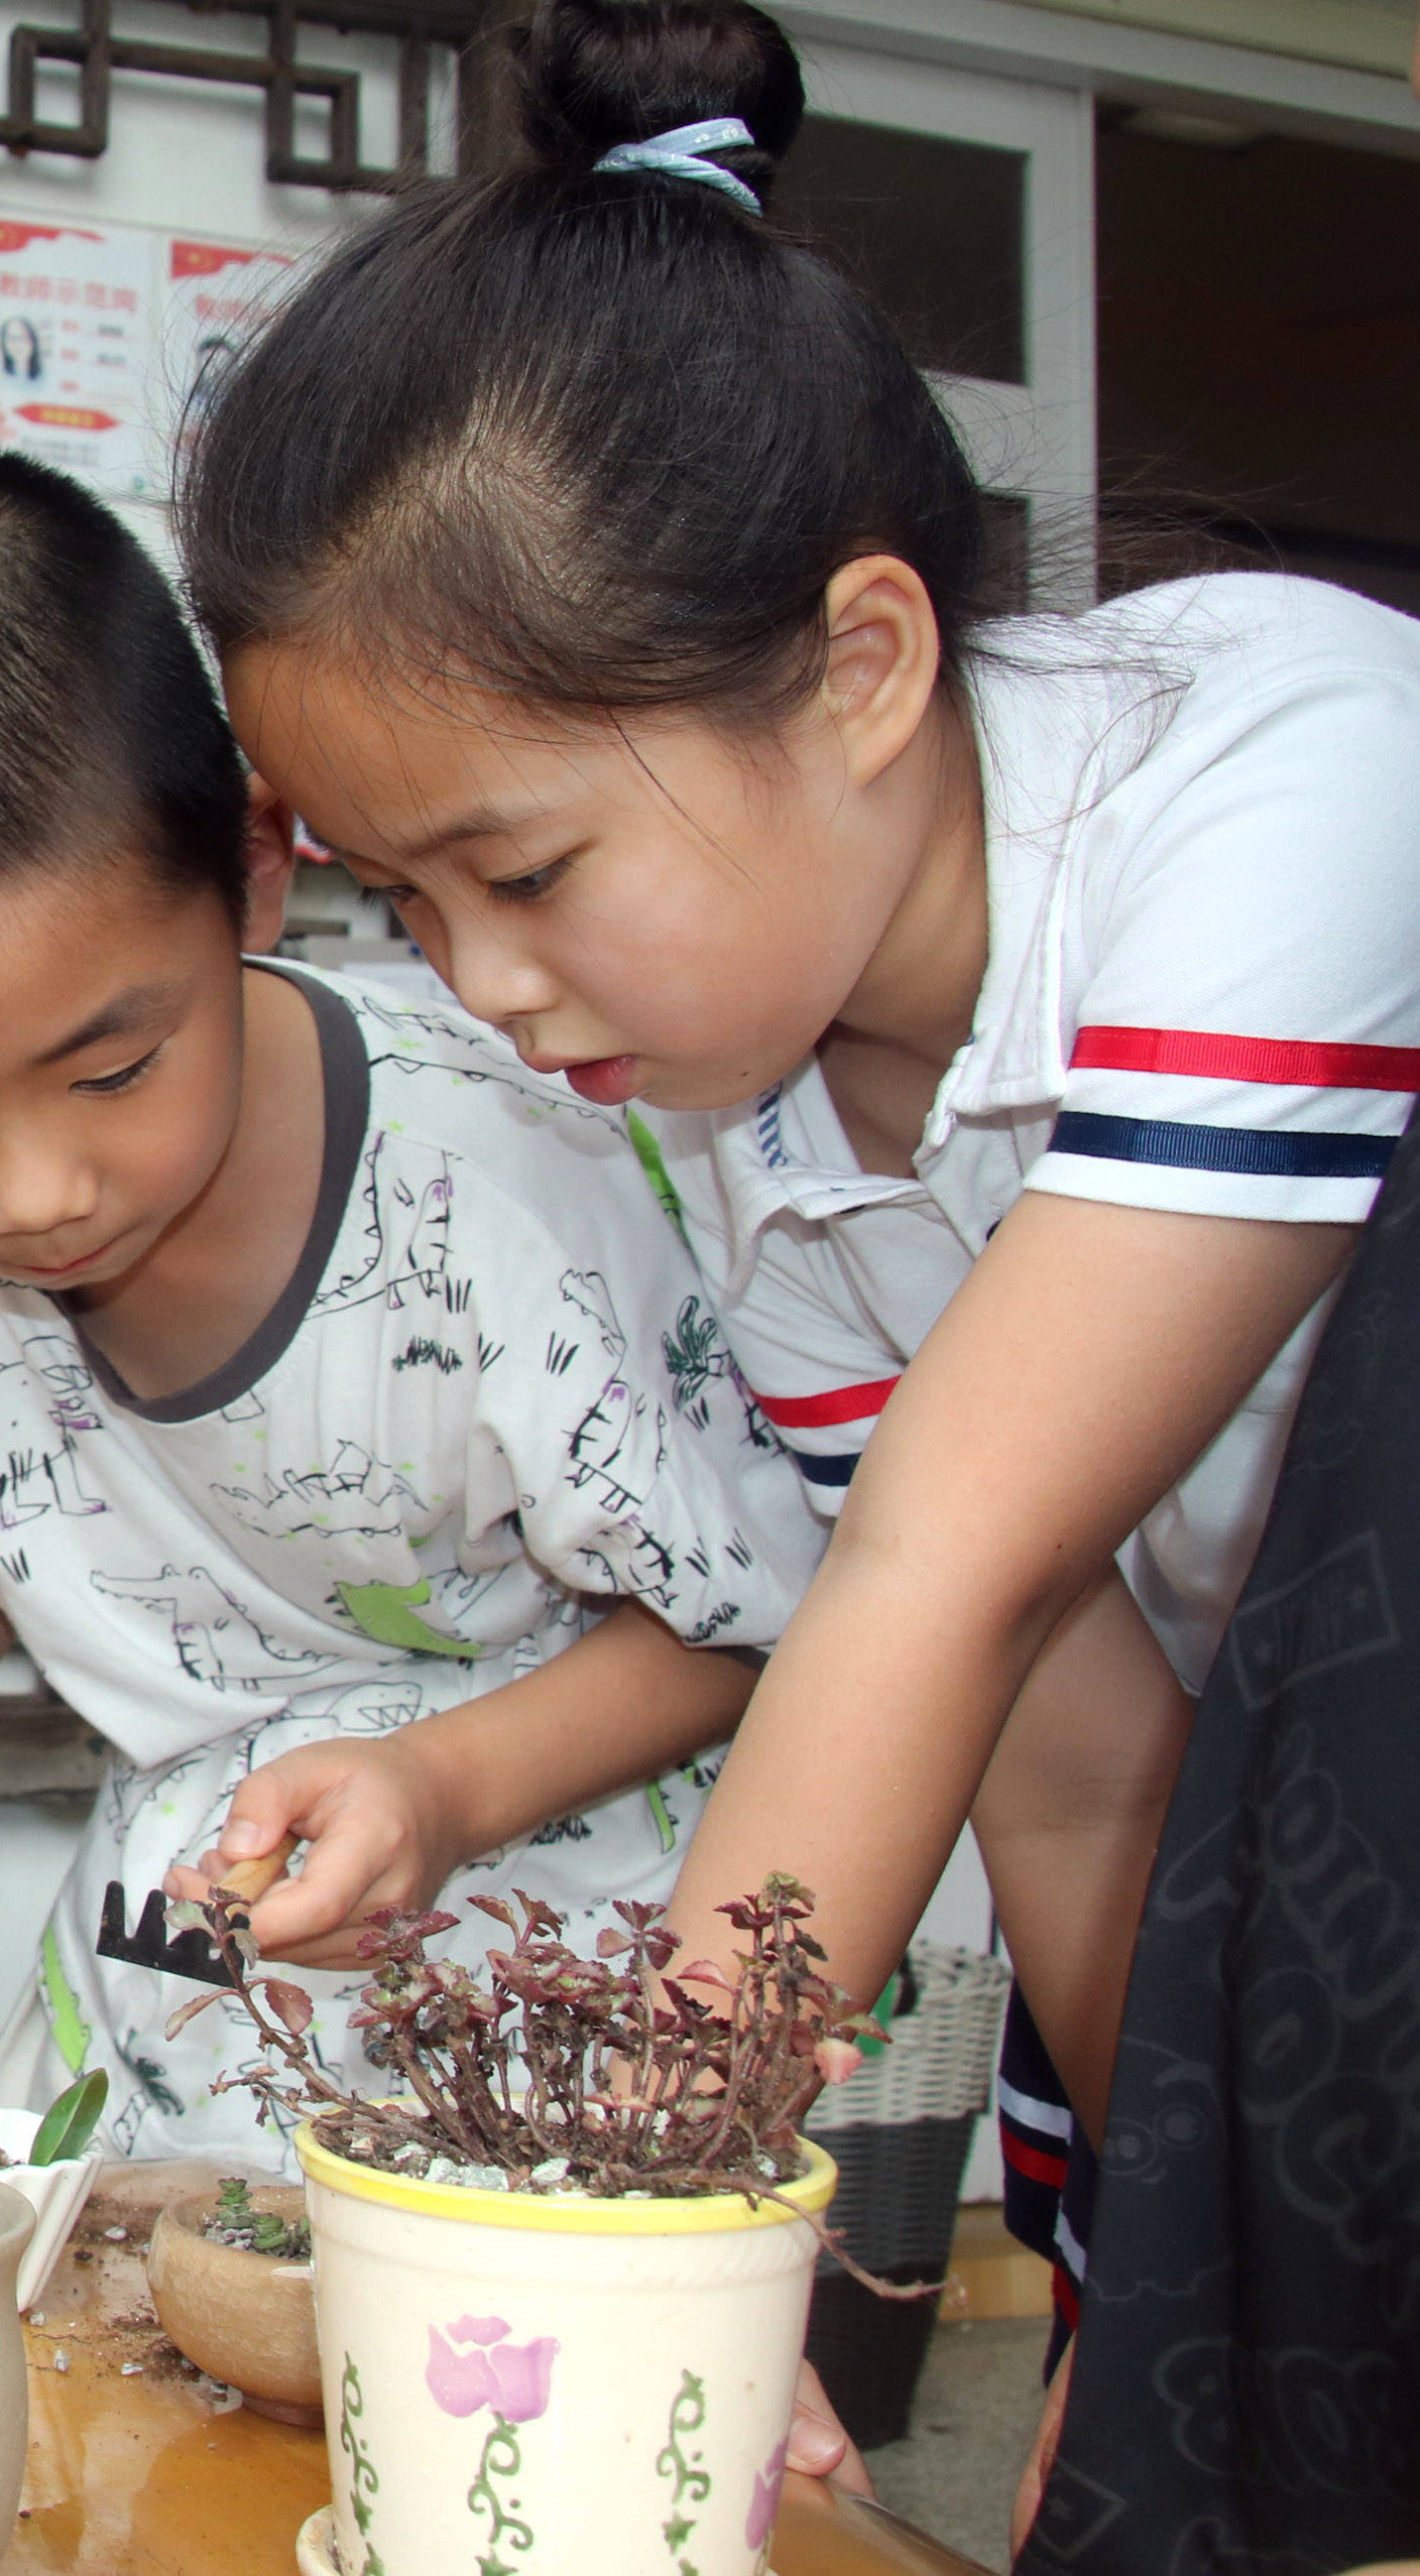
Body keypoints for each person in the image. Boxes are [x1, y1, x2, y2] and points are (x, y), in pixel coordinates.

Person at [179, 0, 1420, 2325]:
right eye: (406, 908)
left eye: (523, 874)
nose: (483, 986)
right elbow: (1061, 1766)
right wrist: (1190, 2301)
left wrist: (627, 2246)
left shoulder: (1286, 774)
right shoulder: (761, 1121)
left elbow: (940, 1564)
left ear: (858, 667)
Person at [0, 442, 822, 2161]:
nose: (29, 1189)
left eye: (113, 1068)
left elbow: (747, 1622)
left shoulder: (495, 1185)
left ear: (255, 865)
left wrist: (446, 1784)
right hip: (165, 2042)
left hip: (558, 2026)